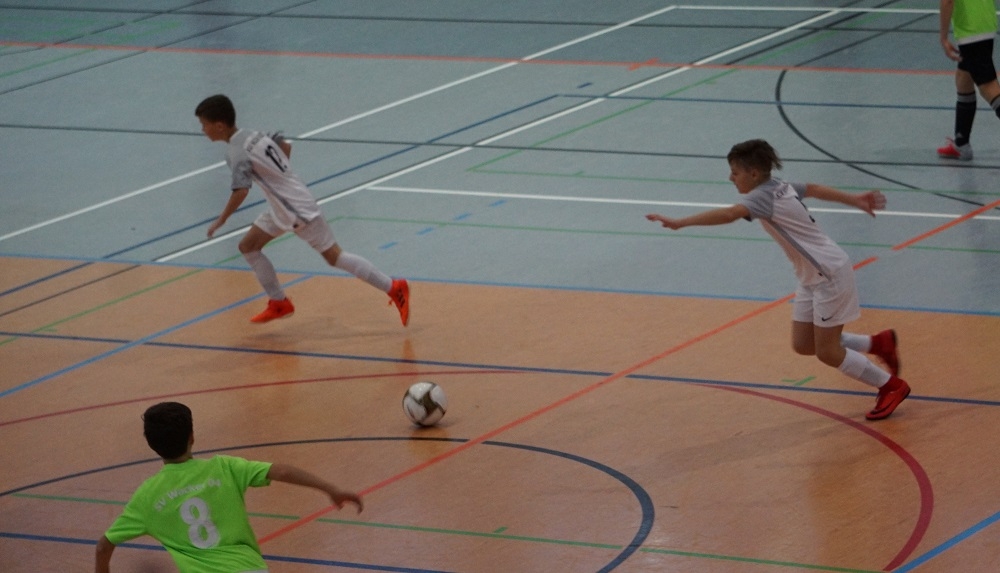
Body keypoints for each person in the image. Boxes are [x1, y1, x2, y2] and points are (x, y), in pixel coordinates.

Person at [646, 139, 911, 421]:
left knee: (828, 351)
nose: (731, 178)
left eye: (735, 172)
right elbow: (814, 188)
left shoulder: (761, 197)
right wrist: (854, 199)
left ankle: (890, 386)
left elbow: (730, 214)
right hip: (811, 276)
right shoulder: (779, 186)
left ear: (754, 173)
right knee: (804, 344)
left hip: (828, 274)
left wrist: (681, 222)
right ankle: (877, 343)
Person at [194, 94, 409, 325]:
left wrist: (221, 220)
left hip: (296, 209)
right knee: (248, 246)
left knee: (334, 257)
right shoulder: (253, 134)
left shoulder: (236, 153)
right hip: (282, 206)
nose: (203, 130)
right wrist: (280, 178)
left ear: (219, 125)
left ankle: (393, 287)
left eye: (204, 125)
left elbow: (241, 191)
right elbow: (284, 145)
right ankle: (279, 302)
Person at [95, 402, 363, 573]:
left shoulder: (147, 496)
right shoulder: (224, 467)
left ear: (152, 446)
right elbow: (281, 471)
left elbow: (104, 546)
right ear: (192, 437)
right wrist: (330, 488)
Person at [937, 0, 1000, 160]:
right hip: (985, 21)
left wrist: (943, 38)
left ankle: (962, 144)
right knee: (963, 78)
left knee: (988, 86)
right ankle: (961, 143)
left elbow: (947, 1)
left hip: (971, 30)